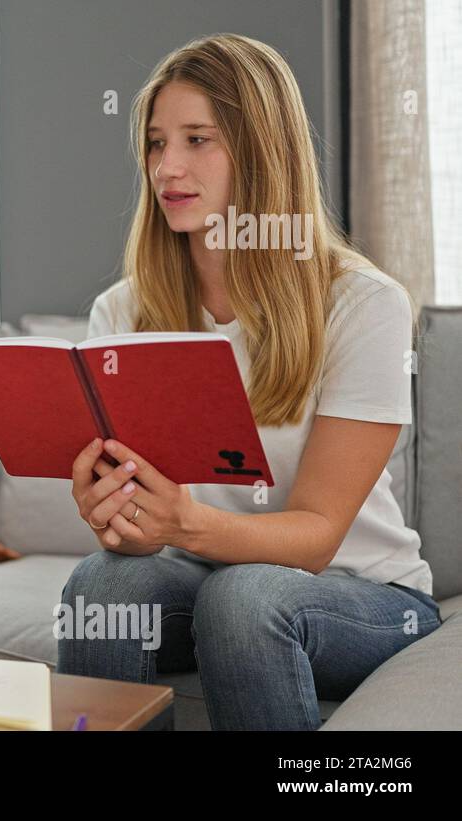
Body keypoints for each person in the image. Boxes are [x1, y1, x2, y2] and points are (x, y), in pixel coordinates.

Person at [56, 34, 441, 730]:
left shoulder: (362, 303)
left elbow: (320, 535)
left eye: (197, 139)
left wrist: (182, 522)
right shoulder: (122, 310)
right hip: (205, 579)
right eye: (155, 143)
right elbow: (145, 525)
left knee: (244, 596)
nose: (166, 166)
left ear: (262, 151)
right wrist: (118, 519)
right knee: (100, 583)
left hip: (358, 595)